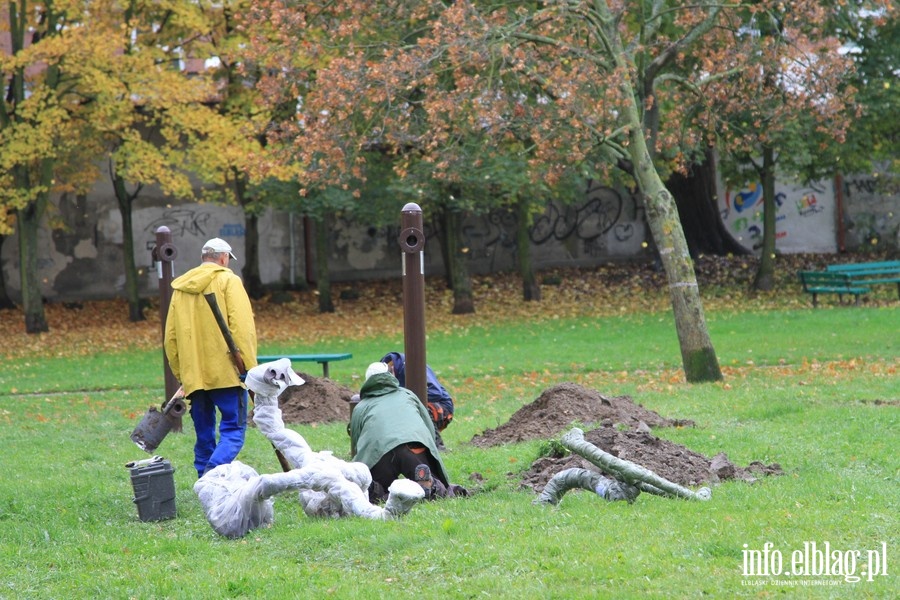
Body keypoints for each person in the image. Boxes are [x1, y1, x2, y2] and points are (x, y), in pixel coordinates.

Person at [193, 359, 425, 538]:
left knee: (287, 449)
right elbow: (277, 442)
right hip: (325, 472)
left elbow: (269, 481)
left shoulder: (327, 476)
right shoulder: (330, 473)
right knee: (287, 443)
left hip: (322, 476)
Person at [164, 237, 257, 478]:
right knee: (233, 431)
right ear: (224, 258)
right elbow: (242, 329)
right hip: (227, 372)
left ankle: (203, 481)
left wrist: (182, 373)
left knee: (204, 435)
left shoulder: (181, 288)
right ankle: (213, 476)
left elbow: (170, 338)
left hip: (194, 376)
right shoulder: (229, 280)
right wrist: (248, 368)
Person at [350, 362, 467, 503]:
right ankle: (427, 485)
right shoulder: (407, 394)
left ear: (367, 382)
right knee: (435, 486)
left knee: (373, 492)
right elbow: (428, 426)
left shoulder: (361, 406)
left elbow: (356, 440)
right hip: (413, 446)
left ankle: (381, 492)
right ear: (390, 376)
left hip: (380, 452)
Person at [379, 351, 454, 437]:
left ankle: (437, 444)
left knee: (411, 408)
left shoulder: (412, 366)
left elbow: (436, 393)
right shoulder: (382, 369)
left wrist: (405, 397)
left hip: (441, 406)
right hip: (412, 404)